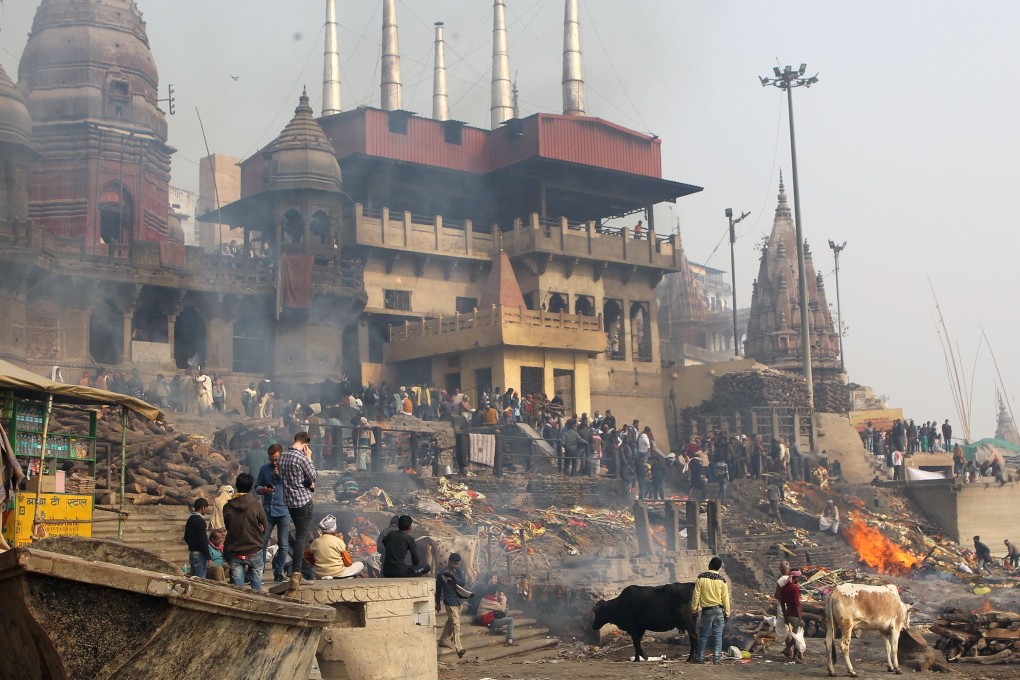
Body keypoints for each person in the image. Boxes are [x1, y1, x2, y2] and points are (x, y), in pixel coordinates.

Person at [278, 432, 317, 594]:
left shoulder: (282, 457)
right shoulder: (301, 458)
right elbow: (314, 475)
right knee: (302, 537)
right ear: (305, 444)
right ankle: (297, 573)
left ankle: (296, 571)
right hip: (303, 501)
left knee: (300, 535)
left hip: (290, 502)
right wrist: (309, 457)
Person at [222, 472, 267, 590]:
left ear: (237, 486)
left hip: (235, 551)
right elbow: (264, 526)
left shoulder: (227, 507)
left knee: (238, 591)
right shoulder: (257, 505)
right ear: (250, 487)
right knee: (257, 589)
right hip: (255, 550)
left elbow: (228, 527)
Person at [256, 444, 291, 583]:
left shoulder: (288, 469)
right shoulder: (264, 469)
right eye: (272, 460)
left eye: (276, 459)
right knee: (262, 543)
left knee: (283, 544)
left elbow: (294, 486)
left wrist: (281, 476)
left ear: (282, 456)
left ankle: (278, 572)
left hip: (284, 511)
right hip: (268, 511)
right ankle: (259, 573)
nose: (274, 462)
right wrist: (263, 489)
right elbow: (257, 487)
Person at [692, 556, 731, 664]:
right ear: (718, 568)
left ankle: (699, 658)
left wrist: (694, 610)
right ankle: (717, 659)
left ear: (710, 565)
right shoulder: (722, 581)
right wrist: (727, 613)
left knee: (703, 635)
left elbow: (696, 596)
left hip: (707, 611)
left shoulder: (701, 578)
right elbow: (725, 599)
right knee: (718, 635)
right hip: (719, 611)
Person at [308, 514, 366, 579]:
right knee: (360, 564)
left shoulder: (315, 542)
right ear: (335, 530)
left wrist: (317, 563)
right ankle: (344, 577)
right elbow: (348, 562)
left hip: (319, 574)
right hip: (337, 574)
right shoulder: (338, 541)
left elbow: (306, 555)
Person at [436, 552, 470, 658]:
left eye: (457, 564)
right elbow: (438, 589)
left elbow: (463, 582)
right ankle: (459, 648)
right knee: (456, 625)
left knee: (451, 621)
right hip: (449, 601)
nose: (455, 566)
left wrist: (453, 579)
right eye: (454, 564)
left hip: (459, 600)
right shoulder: (442, 573)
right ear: (449, 562)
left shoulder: (458, 571)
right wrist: (437, 603)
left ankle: (443, 640)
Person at [473, 574, 516, 646]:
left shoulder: (486, 598)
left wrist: (499, 599)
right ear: (495, 592)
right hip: (487, 621)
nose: (498, 593)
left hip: (485, 618)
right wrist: (504, 598)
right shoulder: (491, 601)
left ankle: (499, 629)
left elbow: (501, 609)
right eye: (497, 592)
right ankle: (510, 640)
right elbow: (502, 609)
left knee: (506, 610)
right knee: (510, 620)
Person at [775, 561, 805, 663]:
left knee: (791, 633)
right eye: (798, 578)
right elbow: (797, 604)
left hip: (788, 614)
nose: (798, 580)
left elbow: (781, 601)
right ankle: (795, 655)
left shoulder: (783, 588)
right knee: (797, 635)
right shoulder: (794, 588)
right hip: (795, 615)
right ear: (795, 578)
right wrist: (800, 617)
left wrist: (786, 615)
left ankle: (789, 649)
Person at [184, 498, 211, 578]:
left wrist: (192, 545)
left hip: (192, 553)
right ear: (203, 507)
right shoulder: (200, 521)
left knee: (193, 579)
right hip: (199, 555)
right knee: (200, 580)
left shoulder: (190, 519)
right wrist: (208, 557)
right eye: (206, 508)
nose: (206, 510)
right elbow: (203, 540)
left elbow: (186, 537)